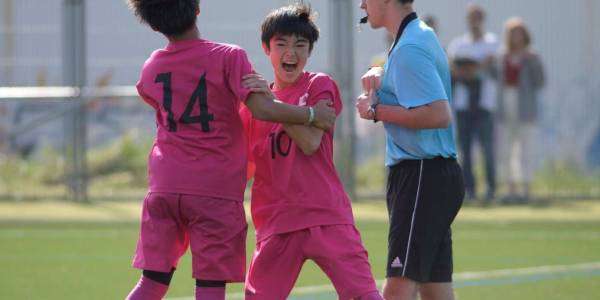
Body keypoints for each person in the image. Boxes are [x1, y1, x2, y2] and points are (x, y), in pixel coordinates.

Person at [125, 1, 336, 299]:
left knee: (152, 283)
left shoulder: (152, 66)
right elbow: (262, 108)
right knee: (210, 286)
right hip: (213, 190)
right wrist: (312, 115)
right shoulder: (227, 56)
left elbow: (154, 99)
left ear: (154, 25)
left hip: (164, 187)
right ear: (197, 9)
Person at [239, 4, 382, 300]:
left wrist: (272, 106)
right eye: (281, 44)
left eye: (300, 45)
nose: (291, 53)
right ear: (267, 48)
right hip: (276, 223)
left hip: (325, 215)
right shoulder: (253, 106)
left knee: (363, 296)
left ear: (310, 51)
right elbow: (245, 168)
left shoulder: (319, 85)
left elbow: (310, 143)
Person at [357, 0, 464, 299]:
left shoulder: (409, 47)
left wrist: (376, 110)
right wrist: (380, 79)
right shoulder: (415, 36)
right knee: (435, 289)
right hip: (431, 176)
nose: (363, 4)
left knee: (399, 286)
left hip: (421, 177)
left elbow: (438, 114)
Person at [447, 4, 499, 202]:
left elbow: (494, 67)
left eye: (478, 17)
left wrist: (476, 68)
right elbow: (452, 69)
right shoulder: (458, 45)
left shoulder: (492, 42)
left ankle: (491, 189)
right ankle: (469, 189)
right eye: (472, 18)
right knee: (465, 149)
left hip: (484, 103)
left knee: (487, 148)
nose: (475, 22)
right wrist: (470, 69)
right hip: (463, 104)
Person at [497, 17, 545, 203]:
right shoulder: (502, 56)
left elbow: (540, 81)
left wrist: (531, 62)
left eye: (519, 33)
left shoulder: (532, 56)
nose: (516, 37)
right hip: (506, 108)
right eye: (512, 33)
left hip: (525, 109)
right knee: (506, 151)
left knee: (527, 150)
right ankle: (510, 189)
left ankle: (527, 189)